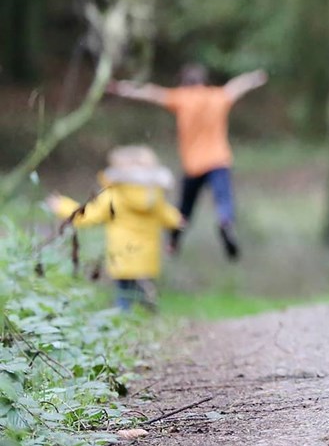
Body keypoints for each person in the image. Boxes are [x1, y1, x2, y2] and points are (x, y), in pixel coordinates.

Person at [108, 63, 268, 260]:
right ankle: (225, 223)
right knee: (223, 199)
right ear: (204, 82)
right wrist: (254, 77)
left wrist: (122, 88)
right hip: (219, 161)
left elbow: (151, 93)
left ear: (184, 83)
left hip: (193, 166)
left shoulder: (182, 98)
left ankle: (173, 242)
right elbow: (236, 86)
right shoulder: (217, 96)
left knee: (185, 208)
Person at [46, 146, 184, 312]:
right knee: (140, 286)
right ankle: (146, 304)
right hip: (147, 256)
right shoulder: (154, 196)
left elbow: (87, 215)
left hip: (123, 255)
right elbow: (168, 215)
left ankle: (125, 316)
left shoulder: (114, 195)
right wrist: (178, 220)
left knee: (123, 293)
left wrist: (62, 205)